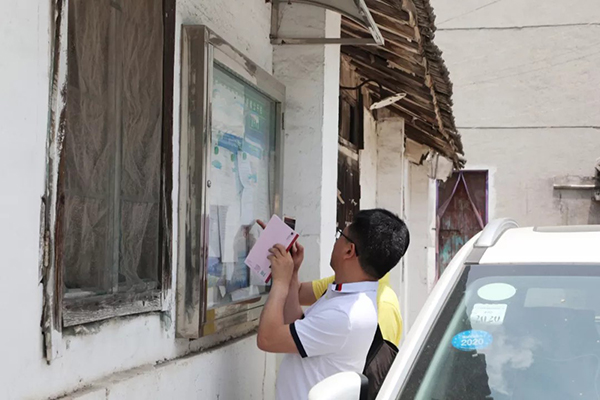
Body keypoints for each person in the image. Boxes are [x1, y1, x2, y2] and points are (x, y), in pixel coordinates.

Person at [256, 209, 410, 400]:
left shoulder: (345, 314)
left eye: (340, 235)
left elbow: (268, 339)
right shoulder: (348, 296)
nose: (336, 241)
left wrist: (280, 281)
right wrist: (292, 274)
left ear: (349, 250)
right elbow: (296, 327)